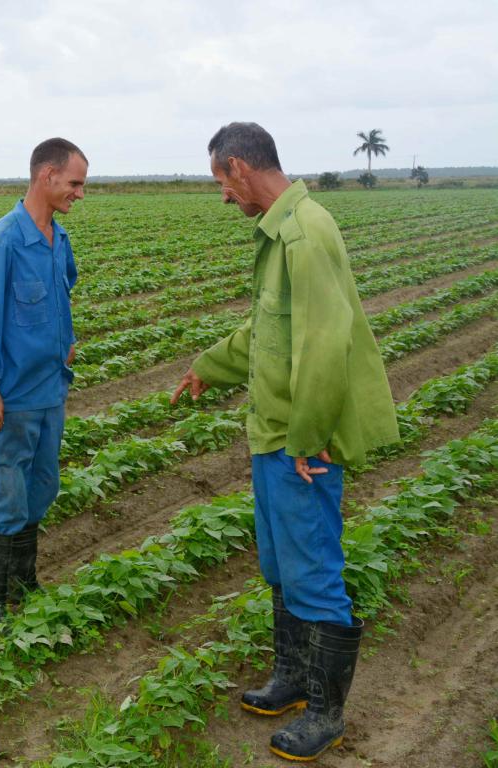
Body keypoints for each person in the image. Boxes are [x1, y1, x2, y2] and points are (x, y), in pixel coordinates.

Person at [171, 122, 399, 761]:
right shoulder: (279, 233)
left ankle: (326, 715)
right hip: (271, 436)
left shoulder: (304, 233)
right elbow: (266, 330)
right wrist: (208, 365)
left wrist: (308, 438)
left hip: (300, 447)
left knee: (315, 572)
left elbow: (326, 344)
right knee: (282, 567)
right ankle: (295, 678)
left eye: (221, 182)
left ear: (239, 168)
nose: (223, 196)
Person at [0, 137, 88, 629]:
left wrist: (67, 338)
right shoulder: (3, 240)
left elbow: (64, 290)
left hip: (50, 387)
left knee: (42, 485)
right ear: (46, 176)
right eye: (74, 183)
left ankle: (23, 583)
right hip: (12, 394)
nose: (79, 193)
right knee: (7, 488)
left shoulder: (58, 238)